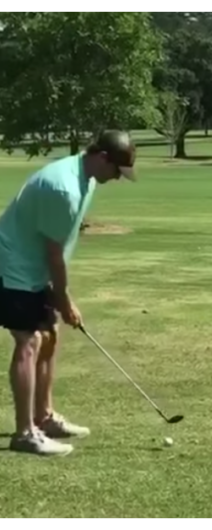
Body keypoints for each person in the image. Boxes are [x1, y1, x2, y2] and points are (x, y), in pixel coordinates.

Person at [0, 130, 137, 456]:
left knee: (50, 335)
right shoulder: (63, 188)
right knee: (29, 341)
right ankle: (24, 434)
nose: (117, 178)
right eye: (117, 170)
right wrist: (64, 298)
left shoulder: (86, 178)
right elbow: (54, 253)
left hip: (33, 268)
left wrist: (57, 295)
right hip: (11, 267)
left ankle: (43, 418)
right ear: (102, 157)